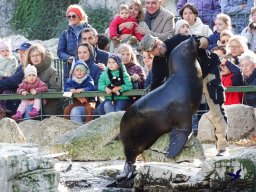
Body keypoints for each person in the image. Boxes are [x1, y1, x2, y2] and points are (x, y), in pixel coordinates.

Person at [140, 34, 228, 156]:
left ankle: (222, 147)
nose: (158, 47)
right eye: (154, 48)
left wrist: (198, 43)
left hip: (207, 71)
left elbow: (205, 40)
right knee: (180, 110)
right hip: (189, 83)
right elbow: (156, 85)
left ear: (159, 39)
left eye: (157, 43)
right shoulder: (158, 63)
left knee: (216, 106)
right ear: (150, 53)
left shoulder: (177, 40)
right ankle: (183, 141)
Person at [67, 43, 102, 122]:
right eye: (79, 52)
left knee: (75, 111)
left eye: (85, 52)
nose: (82, 55)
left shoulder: (97, 68)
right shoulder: (74, 69)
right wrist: (74, 92)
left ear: (90, 53)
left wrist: (84, 91)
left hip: (94, 103)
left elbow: (99, 86)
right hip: (77, 102)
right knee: (69, 110)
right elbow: (67, 86)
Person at [25, 44, 62, 117]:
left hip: (49, 109)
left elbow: (56, 89)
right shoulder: (27, 72)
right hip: (31, 106)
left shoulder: (52, 71)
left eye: (38, 55)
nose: (35, 58)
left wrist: (39, 91)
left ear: (43, 56)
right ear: (29, 58)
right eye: (32, 56)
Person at [57, 4, 91, 83]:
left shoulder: (89, 30)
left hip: (88, 65)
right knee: (70, 92)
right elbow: (60, 52)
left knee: (87, 90)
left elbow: (94, 47)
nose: (71, 18)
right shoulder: (65, 33)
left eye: (74, 16)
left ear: (80, 16)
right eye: (69, 17)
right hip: (70, 68)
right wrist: (68, 57)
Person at [0, 42, 31, 115]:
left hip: (19, 101)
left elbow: (14, 81)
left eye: (24, 52)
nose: (21, 54)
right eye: (20, 52)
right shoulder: (20, 65)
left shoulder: (27, 67)